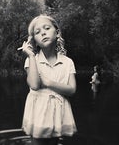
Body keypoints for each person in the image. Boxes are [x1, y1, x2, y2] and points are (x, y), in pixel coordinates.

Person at [18, 15, 77, 145]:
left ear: (57, 32)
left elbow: (72, 90)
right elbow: (34, 84)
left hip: (58, 111)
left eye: (47, 28)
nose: (43, 33)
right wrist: (31, 55)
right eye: (37, 32)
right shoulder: (32, 60)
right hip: (39, 111)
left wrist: (48, 82)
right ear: (35, 41)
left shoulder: (67, 62)